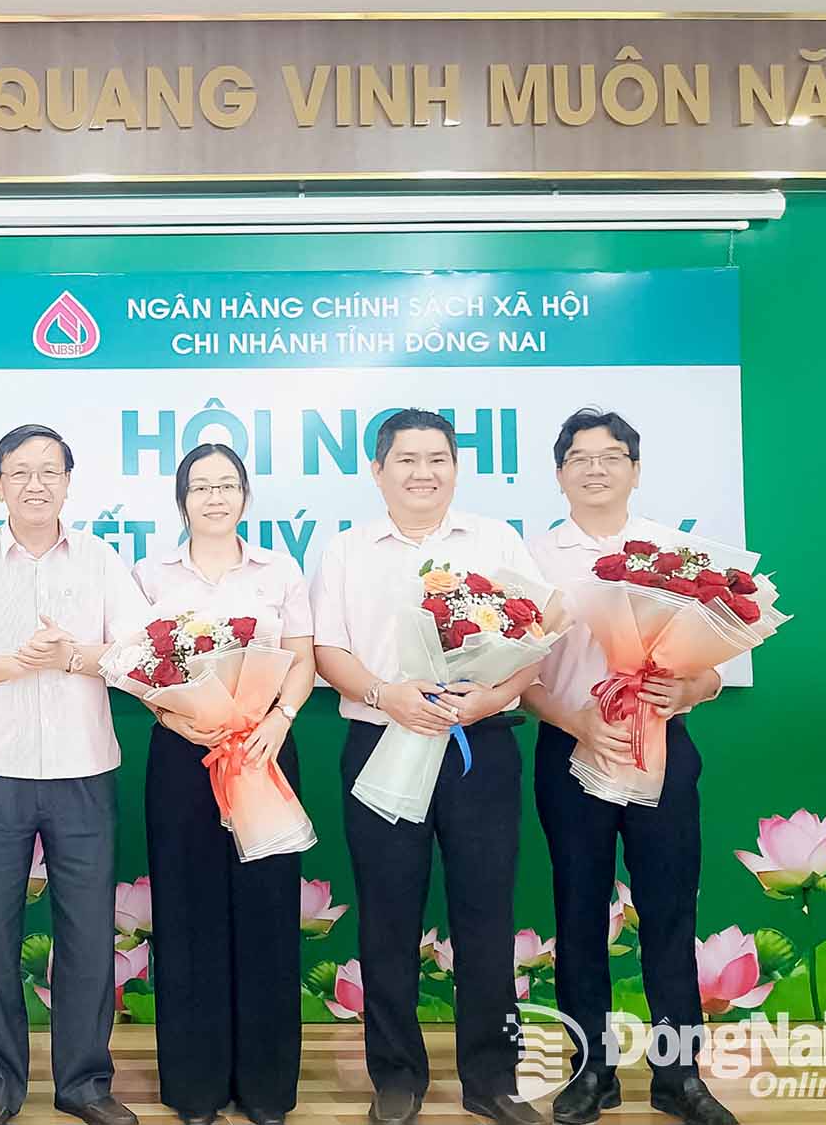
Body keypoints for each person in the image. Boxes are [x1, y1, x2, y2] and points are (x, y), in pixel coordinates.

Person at [309, 410, 549, 1125]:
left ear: (456, 466)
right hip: (382, 740)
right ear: (377, 471)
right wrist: (385, 694)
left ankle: (492, 1079)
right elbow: (328, 650)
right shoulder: (347, 551)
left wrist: (492, 697)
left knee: (486, 913)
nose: (423, 472)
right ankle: (396, 1076)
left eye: (437, 458)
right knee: (387, 914)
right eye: (406, 460)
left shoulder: (496, 540)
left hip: (479, 746)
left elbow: (537, 639)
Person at [0, 423, 150, 1125]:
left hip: (84, 767)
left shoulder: (102, 561)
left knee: (87, 931)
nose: (36, 484)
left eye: (50, 471)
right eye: (20, 471)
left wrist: (73, 655)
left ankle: (85, 1084)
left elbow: (138, 653)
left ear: (69, 483)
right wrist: (17, 662)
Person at [521, 410, 735, 1125]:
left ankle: (679, 1076)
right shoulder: (532, 558)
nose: (596, 469)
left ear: (635, 470)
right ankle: (592, 1072)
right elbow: (520, 677)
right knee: (579, 911)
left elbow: (716, 669)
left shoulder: (675, 552)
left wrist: (689, 689)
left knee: (669, 910)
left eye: (611, 456)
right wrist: (575, 721)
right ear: (559, 474)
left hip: (662, 748)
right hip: (572, 749)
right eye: (579, 458)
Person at [133, 445, 314, 1125]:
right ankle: (196, 1088)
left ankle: (266, 1088)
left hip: (264, 751)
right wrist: (177, 720)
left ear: (245, 496)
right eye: (201, 486)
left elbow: (302, 658)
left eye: (228, 485)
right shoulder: (150, 573)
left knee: (268, 911)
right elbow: (135, 666)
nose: (215, 497)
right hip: (185, 755)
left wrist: (279, 720)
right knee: (188, 915)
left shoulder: (279, 570)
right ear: (182, 499)